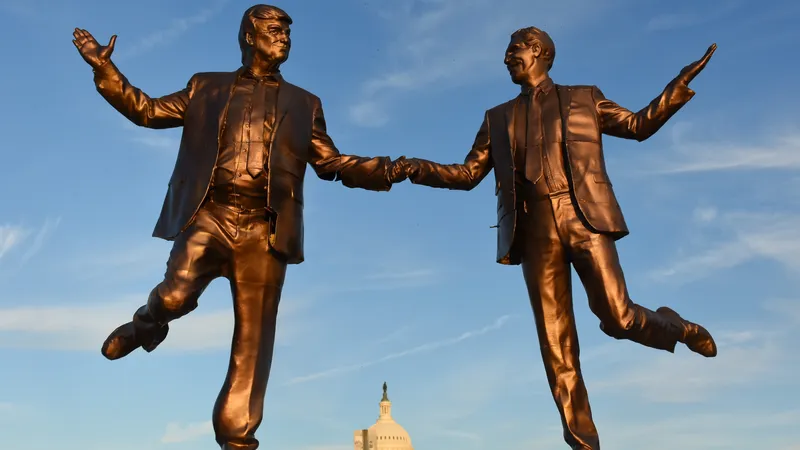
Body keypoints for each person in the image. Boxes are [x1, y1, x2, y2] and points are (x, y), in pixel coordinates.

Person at [72, 5, 406, 449]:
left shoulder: (305, 104)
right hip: (210, 216)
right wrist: (105, 69)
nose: (283, 38)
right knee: (174, 295)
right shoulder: (205, 87)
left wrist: (389, 169)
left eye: (287, 32)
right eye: (275, 30)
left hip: (265, 232)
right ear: (250, 36)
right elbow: (146, 111)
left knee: (253, 342)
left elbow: (331, 163)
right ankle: (146, 325)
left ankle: (237, 439)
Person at [398, 26, 718, 449]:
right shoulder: (496, 118)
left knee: (618, 318)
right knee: (556, 345)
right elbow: (467, 174)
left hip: (584, 218)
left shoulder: (584, 98)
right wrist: (414, 168)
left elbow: (638, 125)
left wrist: (677, 87)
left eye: (514, 50)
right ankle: (583, 441)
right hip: (533, 231)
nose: (506, 58)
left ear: (539, 52)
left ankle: (678, 328)